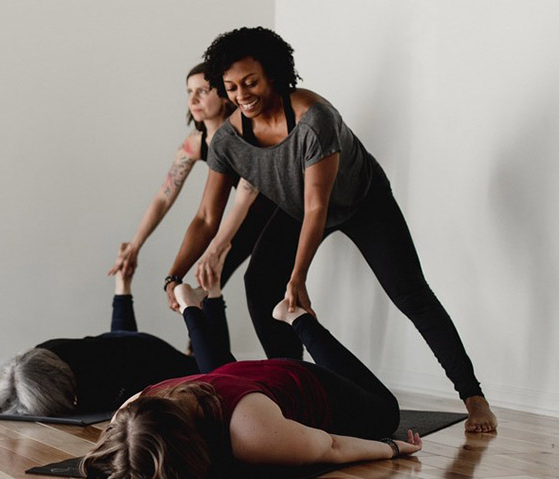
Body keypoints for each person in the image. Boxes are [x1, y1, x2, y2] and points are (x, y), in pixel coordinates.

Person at [164, 27, 495, 432]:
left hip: (361, 202)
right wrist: (174, 274)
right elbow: (204, 218)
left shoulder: (314, 118)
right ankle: (298, 394)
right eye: (231, 87)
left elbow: (318, 204)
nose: (241, 95)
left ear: (274, 75)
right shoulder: (229, 140)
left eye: (251, 82)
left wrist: (298, 276)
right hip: (295, 204)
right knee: (259, 284)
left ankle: (474, 397)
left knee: (411, 293)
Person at [81, 275, 421, 479]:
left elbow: (332, 446)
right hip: (227, 381)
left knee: (385, 413)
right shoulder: (131, 410)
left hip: (299, 380)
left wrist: (392, 448)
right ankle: (192, 305)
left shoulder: (252, 435)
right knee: (218, 374)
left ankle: (296, 317)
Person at [108, 64, 274, 310]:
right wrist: (135, 246)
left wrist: (215, 249)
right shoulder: (195, 144)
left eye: (202, 91)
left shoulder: (245, 134)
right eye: (189, 92)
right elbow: (163, 198)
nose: (193, 99)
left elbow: (244, 198)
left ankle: (195, 344)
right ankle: (194, 344)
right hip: (248, 214)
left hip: (275, 210)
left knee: (231, 280)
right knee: (207, 281)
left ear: (223, 94)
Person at [0, 244, 201, 415]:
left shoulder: (95, 384)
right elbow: (117, 346)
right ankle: (198, 312)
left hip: (158, 361)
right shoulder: (60, 356)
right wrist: (122, 288)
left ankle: (200, 310)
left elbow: (119, 348)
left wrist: (195, 308)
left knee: (208, 369)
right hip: (131, 354)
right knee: (124, 352)